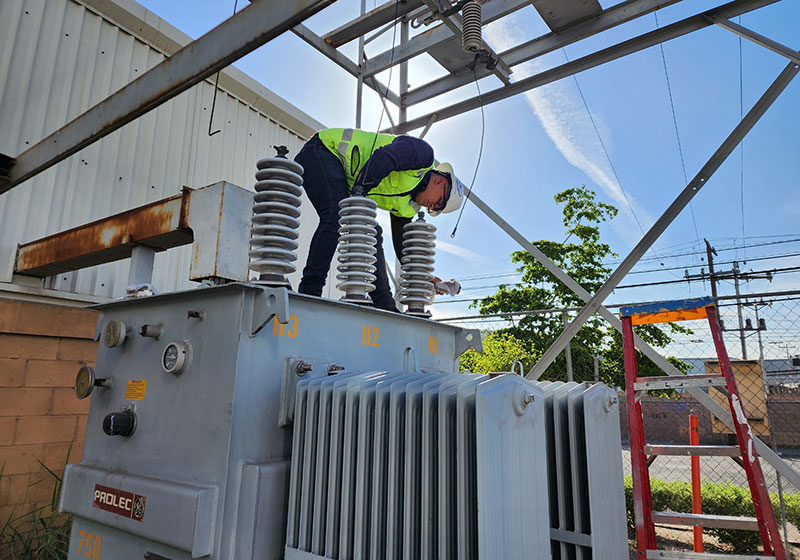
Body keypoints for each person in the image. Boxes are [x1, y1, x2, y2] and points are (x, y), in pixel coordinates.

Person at [294, 127, 464, 312]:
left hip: (342, 176)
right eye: (438, 203)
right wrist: (359, 192)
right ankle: (310, 289)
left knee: (372, 232)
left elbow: (404, 250)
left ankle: (385, 305)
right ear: (441, 183)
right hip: (323, 149)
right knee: (338, 215)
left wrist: (424, 277)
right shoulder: (422, 155)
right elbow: (386, 157)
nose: (431, 207)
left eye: (435, 209)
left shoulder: (408, 206)